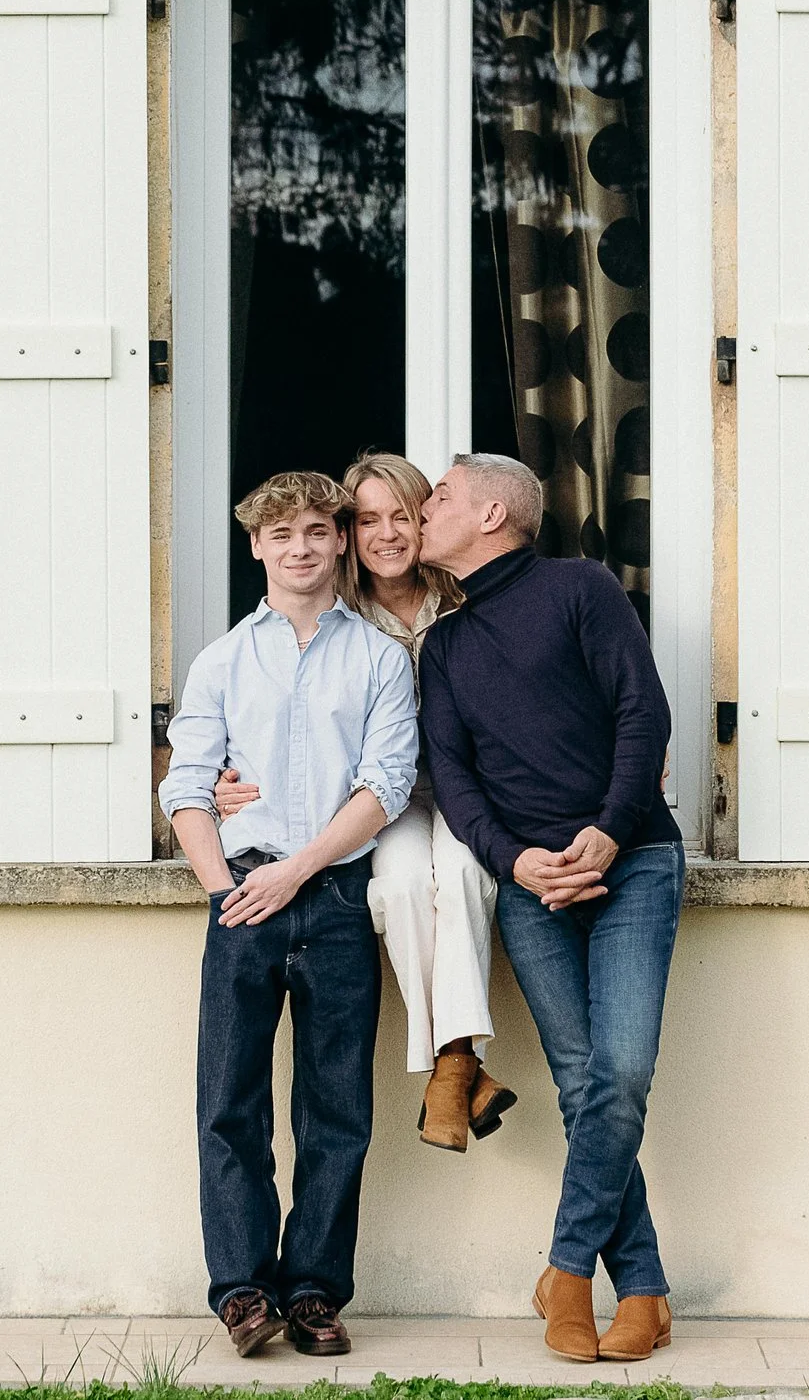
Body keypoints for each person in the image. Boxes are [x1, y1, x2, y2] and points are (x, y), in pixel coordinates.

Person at [415, 452, 684, 1367]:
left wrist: (607, 832)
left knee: (621, 1072)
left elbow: (643, 713)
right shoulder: (444, 647)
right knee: (582, 1082)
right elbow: (453, 777)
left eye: (440, 496)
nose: (425, 508)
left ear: (493, 514)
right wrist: (514, 861)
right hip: (532, 889)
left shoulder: (581, 589)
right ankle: (642, 1290)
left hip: (632, 865)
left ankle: (566, 1271)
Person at [158, 470, 419, 1361]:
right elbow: (188, 788)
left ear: (340, 540)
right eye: (281, 535)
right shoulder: (223, 661)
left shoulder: (378, 659)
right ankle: (241, 1292)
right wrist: (223, 889)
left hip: (336, 895)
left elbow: (385, 784)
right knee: (229, 1103)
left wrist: (298, 870)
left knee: (336, 1110)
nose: (300, 548)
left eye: (315, 531)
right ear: (257, 547)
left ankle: (312, 1291)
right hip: (242, 896)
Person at [211, 453, 515, 1152]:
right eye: (369, 519)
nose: (387, 534)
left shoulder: (468, 601)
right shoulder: (337, 617)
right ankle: (460, 1069)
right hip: (382, 800)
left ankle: (452, 1066)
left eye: (401, 516)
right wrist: (230, 780)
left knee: (462, 875)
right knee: (402, 885)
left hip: (472, 789)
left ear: (426, 521)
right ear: (351, 532)